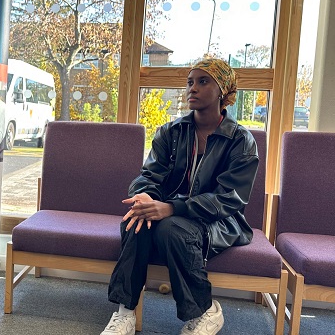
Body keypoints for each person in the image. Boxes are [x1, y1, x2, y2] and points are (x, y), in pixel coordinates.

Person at [101, 58, 258, 335]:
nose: (192, 89)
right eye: (189, 82)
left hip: (220, 220)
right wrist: (145, 198)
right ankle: (125, 311)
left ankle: (205, 311)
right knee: (134, 221)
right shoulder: (171, 132)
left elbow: (229, 198)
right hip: (170, 212)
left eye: (203, 81)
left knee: (174, 229)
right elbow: (149, 175)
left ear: (222, 91)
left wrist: (171, 208)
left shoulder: (240, 140)